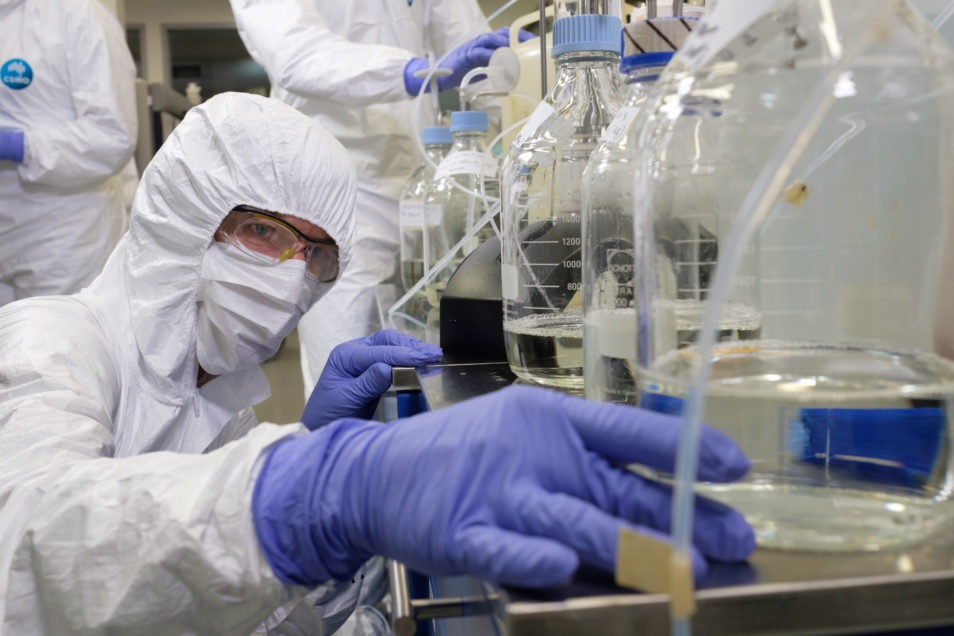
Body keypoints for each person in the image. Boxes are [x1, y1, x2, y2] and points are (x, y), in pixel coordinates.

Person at [0, 93, 755, 635]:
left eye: (319, 255)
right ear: (181, 215)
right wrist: (323, 487)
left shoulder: (215, 402)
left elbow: (220, 604)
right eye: (265, 232)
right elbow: (28, 549)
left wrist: (311, 461)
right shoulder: (51, 344)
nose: (295, 276)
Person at [229, 0, 522, 392]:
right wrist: (412, 70)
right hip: (332, 187)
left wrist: (520, 79)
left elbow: (477, 54)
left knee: (433, 361)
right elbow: (295, 53)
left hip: (423, 181)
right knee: (347, 365)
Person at [0, 0, 136, 307]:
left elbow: (111, 137)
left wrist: (19, 146)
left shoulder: (78, 15)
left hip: (64, 235)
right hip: (6, 224)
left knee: (56, 347)